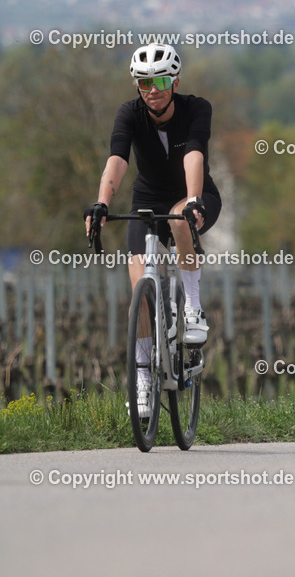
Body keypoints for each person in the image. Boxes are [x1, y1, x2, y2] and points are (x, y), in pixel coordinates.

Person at [84, 43, 221, 418]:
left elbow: (194, 153)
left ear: (175, 82)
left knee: (179, 221)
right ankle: (143, 376)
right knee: (140, 287)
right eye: (145, 83)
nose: (153, 90)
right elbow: (117, 159)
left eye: (160, 81)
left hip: (193, 194)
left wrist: (193, 200)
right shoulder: (129, 113)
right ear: (137, 85)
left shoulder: (196, 108)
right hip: (146, 200)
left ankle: (192, 308)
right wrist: (102, 203)